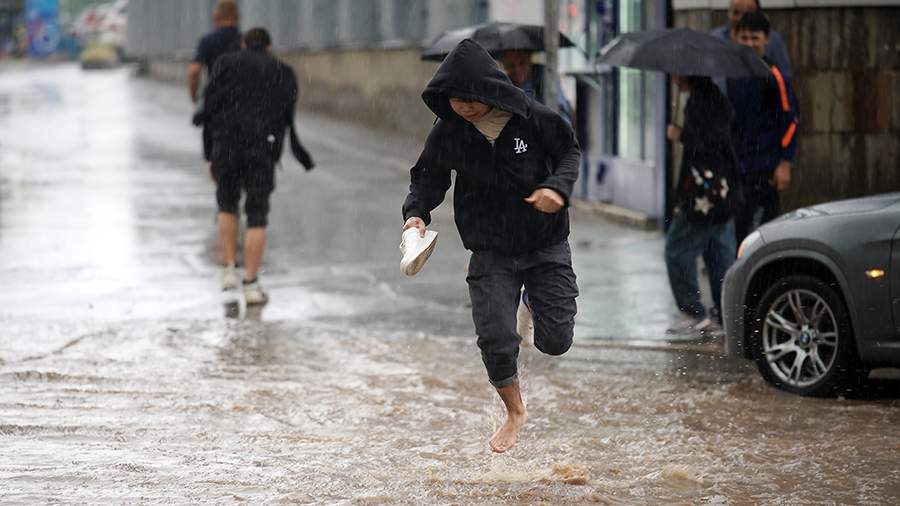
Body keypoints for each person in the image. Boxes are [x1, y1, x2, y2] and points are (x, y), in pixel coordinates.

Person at [402, 39, 580, 454]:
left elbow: (569, 152)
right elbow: (426, 178)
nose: (462, 106)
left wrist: (558, 187)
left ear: (488, 89)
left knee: (556, 342)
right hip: (490, 250)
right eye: (454, 99)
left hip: (544, 244)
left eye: (469, 98)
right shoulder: (448, 131)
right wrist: (416, 215)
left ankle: (533, 303)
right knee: (496, 338)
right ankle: (515, 411)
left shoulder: (535, 119)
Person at [202, 27, 302, 303]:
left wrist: (209, 152)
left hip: (226, 146)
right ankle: (251, 283)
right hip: (261, 148)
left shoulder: (224, 64)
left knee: (226, 205)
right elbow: (285, 118)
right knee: (257, 215)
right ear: (268, 47)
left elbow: (209, 110)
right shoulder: (282, 71)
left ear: (244, 45)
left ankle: (231, 269)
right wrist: (274, 149)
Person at [665, 75, 739, 336]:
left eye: (676, 73)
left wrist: (680, 134)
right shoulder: (714, 98)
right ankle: (725, 313)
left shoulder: (703, 103)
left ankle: (693, 312)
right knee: (720, 254)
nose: (674, 80)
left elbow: (710, 143)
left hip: (703, 195)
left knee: (676, 250)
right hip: (722, 193)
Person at [727, 11, 799, 245]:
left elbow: (790, 121)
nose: (749, 43)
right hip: (739, 168)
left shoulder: (774, 75)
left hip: (764, 169)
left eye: (755, 38)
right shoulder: (733, 74)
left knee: (760, 236)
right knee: (739, 231)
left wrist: (784, 163)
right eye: (744, 38)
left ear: (766, 40)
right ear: (735, 38)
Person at [188, 0, 241, 162]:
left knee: (214, 153)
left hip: (216, 100)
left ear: (216, 18)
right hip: (242, 98)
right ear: (237, 18)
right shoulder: (244, 40)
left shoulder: (207, 41)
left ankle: (219, 175)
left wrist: (195, 95)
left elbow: (194, 71)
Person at [713, 0, 791, 77]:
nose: (741, 18)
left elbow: (784, 76)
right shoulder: (715, 38)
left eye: (747, 13)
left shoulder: (773, 39)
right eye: (736, 12)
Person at [498, 50, 574, 125]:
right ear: (504, 66)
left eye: (522, 63)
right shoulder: (504, 86)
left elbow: (562, 117)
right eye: (511, 65)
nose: (517, 69)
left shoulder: (544, 76)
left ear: (529, 60)